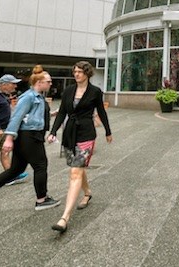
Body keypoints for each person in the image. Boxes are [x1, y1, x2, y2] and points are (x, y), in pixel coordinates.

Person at [0, 66, 60, 216]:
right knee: (40, 165)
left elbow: (34, 117)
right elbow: (16, 117)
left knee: (15, 170)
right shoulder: (28, 97)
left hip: (30, 135)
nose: (51, 84)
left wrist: (53, 114)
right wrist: (9, 138)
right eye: (48, 81)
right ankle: (42, 200)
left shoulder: (38, 97)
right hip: (29, 136)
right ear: (39, 82)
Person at [47, 61, 113, 233]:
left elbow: (101, 111)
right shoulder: (68, 90)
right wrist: (53, 131)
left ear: (87, 73)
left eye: (80, 72)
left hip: (86, 134)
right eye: (74, 71)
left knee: (75, 171)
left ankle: (64, 218)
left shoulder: (95, 92)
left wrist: (108, 131)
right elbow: (62, 112)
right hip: (70, 134)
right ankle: (87, 192)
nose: (76, 74)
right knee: (78, 168)